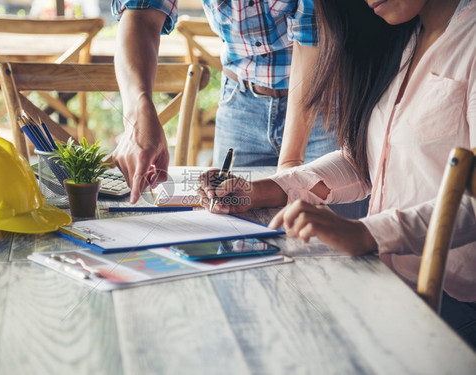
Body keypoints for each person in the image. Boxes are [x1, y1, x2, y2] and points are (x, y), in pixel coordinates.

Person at [198, 0, 476, 349]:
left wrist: (368, 233)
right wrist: (264, 190)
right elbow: (367, 160)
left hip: (452, 300)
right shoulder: (404, 36)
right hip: (387, 280)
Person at [110, 0, 339, 204]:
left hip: (325, 100)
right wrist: (138, 111)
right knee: (232, 219)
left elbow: (313, 35)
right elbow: (141, 14)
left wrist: (289, 167)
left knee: (331, 234)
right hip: (240, 103)